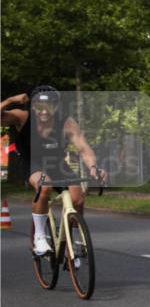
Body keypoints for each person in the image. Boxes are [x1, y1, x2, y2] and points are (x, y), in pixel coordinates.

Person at [1, 86, 105, 255]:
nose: (44, 111)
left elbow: (84, 148)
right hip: (32, 162)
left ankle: (74, 236)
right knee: (45, 186)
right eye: (39, 106)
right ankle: (40, 237)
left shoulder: (66, 123)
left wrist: (93, 167)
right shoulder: (23, 117)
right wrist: (10, 100)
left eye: (49, 106)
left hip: (56, 163)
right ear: (33, 106)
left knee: (78, 198)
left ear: (56, 107)